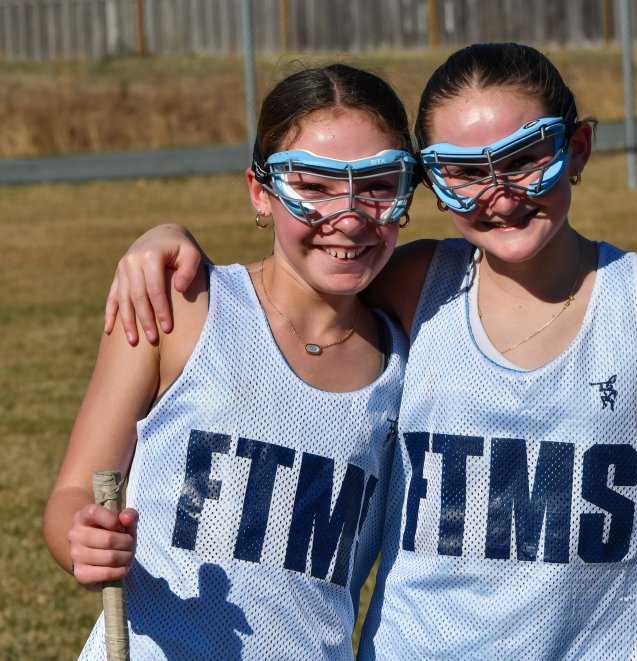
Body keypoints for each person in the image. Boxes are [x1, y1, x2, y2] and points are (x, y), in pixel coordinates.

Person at [102, 43, 637, 659]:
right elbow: (289, 280)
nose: (500, 192)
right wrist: (161, 238)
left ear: (578, 147)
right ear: (430, 182)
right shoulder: (417, 286)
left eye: (526, 156)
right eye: (466, 172)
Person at [42, 63, 417, 659]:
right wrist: (81, 541)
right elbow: (72, 493)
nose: (348, 218)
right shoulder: (181, 307)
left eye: (376, 184)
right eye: (313, 186)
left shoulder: (409, 362)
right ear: (260, 193)